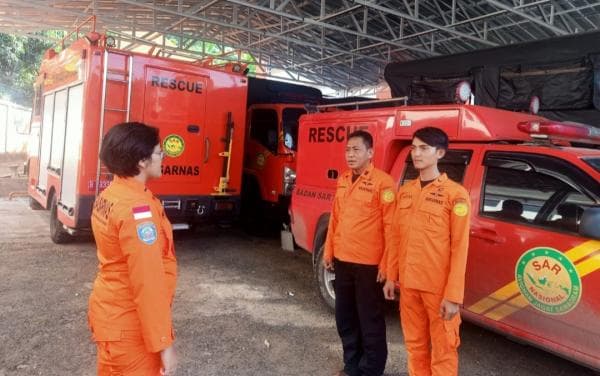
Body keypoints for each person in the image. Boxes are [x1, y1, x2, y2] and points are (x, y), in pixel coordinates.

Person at [88, 122, 178, 376]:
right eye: (160, 153)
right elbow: (148, 282)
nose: (163, 158)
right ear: (142, 161)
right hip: (130, 329)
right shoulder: (138, 211)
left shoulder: (111, 195)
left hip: (110, 319)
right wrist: (164, 343)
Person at [384, 127, 470, 376]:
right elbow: (396, 237)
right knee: (415, 347)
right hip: (409, 286)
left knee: (443, 351)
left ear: (440, 153)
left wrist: (453, 296)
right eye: (413, 148)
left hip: (438, 289)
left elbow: (460, 247)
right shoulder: (407, 192)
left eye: (424, 148)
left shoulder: (455, 194)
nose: (416, 153)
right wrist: (391, 275)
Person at [323, 130, 396, 376]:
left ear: (370, 152)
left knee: (370, 323)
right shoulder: (343, 179)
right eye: (347, 150)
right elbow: (335, 218)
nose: (350, 154)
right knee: (345, 319)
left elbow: (391, 228)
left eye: (356, 149)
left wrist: (387, 267)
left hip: (369, 266)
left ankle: (370, 371)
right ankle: (351, 367)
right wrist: (329, 251)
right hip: (343, 261)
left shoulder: (383, 183)